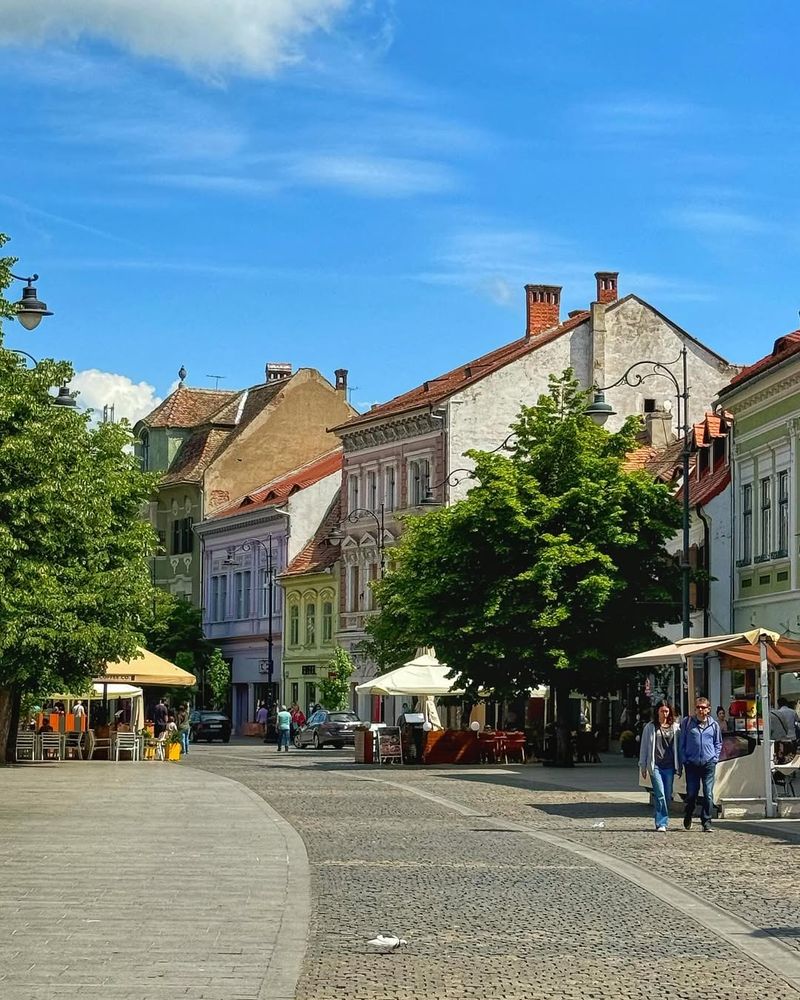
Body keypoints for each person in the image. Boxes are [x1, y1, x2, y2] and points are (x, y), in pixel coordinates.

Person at [680, 697, 722, 833]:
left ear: (708, 709)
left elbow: (718, 743)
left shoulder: (714, 725)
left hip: (708, 763)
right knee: (691, 793)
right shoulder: (687, 723)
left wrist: (715, 758)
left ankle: (707, 822)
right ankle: (688, 814)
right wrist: (684, 759)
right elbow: (682, 743)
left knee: (708, 794)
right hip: (691, 763)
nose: (700, 710)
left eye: (703, 707)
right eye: (698, 707)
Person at [639, 700, 681, 832]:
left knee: (667, 794)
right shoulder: (650, 727)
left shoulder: (675, 727)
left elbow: (678, 748)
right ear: (657, 711)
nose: (665, 714)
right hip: (655, 765)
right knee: (660, 793)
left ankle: (661, 817)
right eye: (662, 711)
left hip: (669, 765)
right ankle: (661, 822)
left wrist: (679, 765)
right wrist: (643, 765)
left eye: (667, 711)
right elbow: (644, 747)